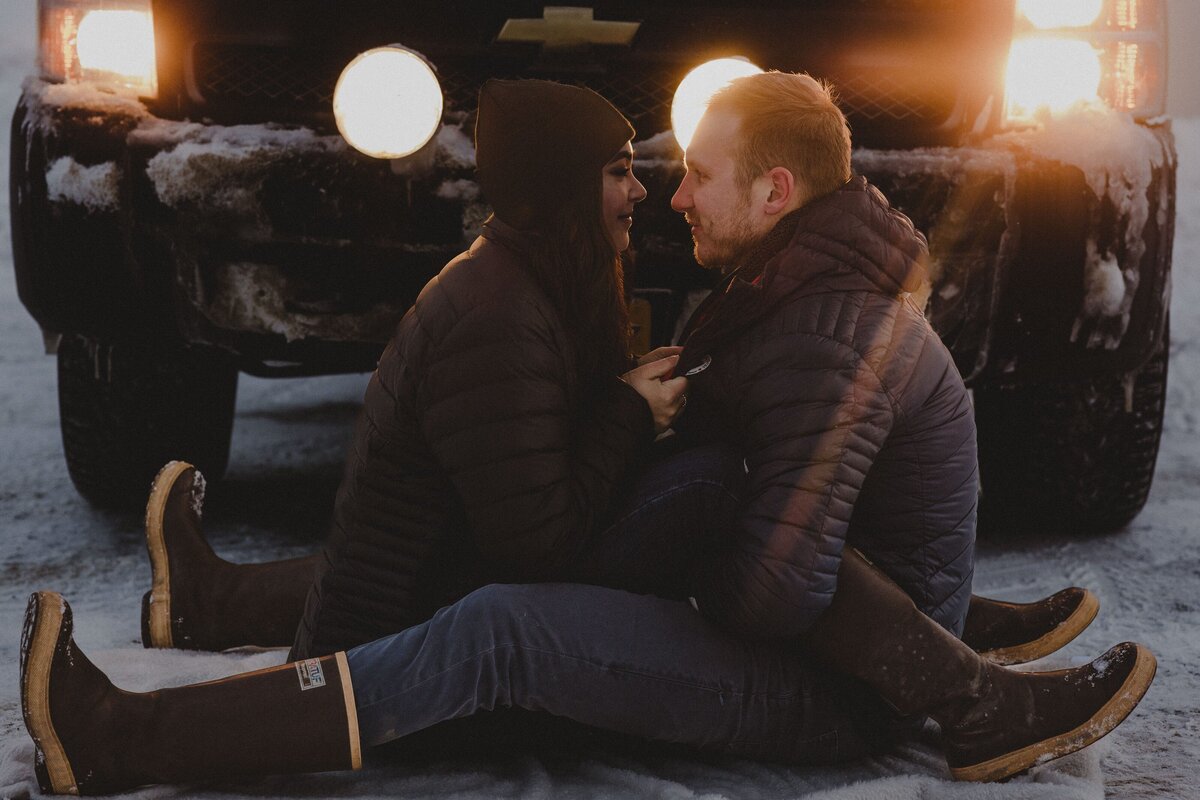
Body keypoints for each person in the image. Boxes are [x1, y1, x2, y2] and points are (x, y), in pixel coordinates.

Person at [20, 75, 1154, 796]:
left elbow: (773, 590)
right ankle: (952, 646)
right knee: (623, 514)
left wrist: (696, 514)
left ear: (771, 190)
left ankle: (122, 738)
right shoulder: (792, 289)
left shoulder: (820, 330)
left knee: (504, 626)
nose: (669, 199)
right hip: (825, 633)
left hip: (830, 687)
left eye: (696, 178)